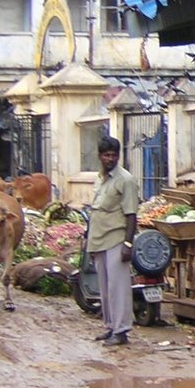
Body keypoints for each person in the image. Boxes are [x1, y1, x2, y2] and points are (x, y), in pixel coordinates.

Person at [87, 135, 140, 347]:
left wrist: (128, 244)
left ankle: (122, 330)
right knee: (105, 287)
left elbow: (131, 215)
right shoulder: (99, 178)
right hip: (98, 239)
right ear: (100, 156)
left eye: (114, 155)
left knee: (119, 287)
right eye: (107, 155)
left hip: (117, 239)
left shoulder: (126, 180)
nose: (111, 159)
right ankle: (110, 327)